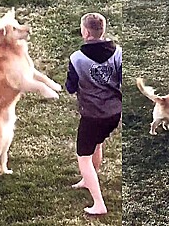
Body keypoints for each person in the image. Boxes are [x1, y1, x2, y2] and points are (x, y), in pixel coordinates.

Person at [65, 12, 122, 214]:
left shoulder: (77, 58)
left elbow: (70, 87)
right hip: (114, 113)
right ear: (102, 31)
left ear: (85, 32)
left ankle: (99, 204)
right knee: (97, 142)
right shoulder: (118, 53)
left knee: (83, 156)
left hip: (92, 115)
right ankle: (89, 179)